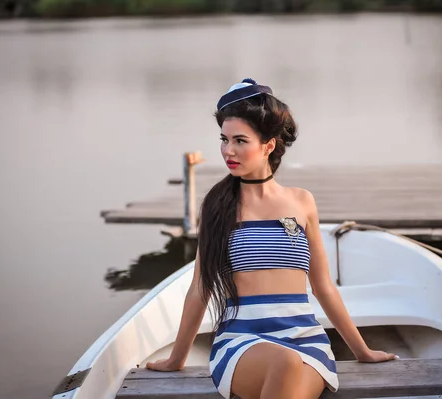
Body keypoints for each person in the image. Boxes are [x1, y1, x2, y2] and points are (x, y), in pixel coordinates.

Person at [146, 78, 398, 399]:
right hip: (240, 341)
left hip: (306, 340)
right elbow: (201, 287)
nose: (228, 150)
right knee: (285, 363)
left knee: (289, 368)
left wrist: (362, 351)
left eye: (240, 141)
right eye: (224, 140)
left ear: (268, 146)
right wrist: (176, 359)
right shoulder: (217, 206)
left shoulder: (302, 201)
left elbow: (322, 286)